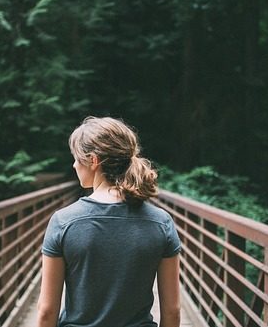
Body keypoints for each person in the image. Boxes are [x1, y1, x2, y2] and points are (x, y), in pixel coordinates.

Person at [37, 116, 182, 327]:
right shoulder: (161, 223)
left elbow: (47, 312)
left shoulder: (64, 222)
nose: (74, 164)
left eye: (77, 158)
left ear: (94, 161)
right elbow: (172, 311)